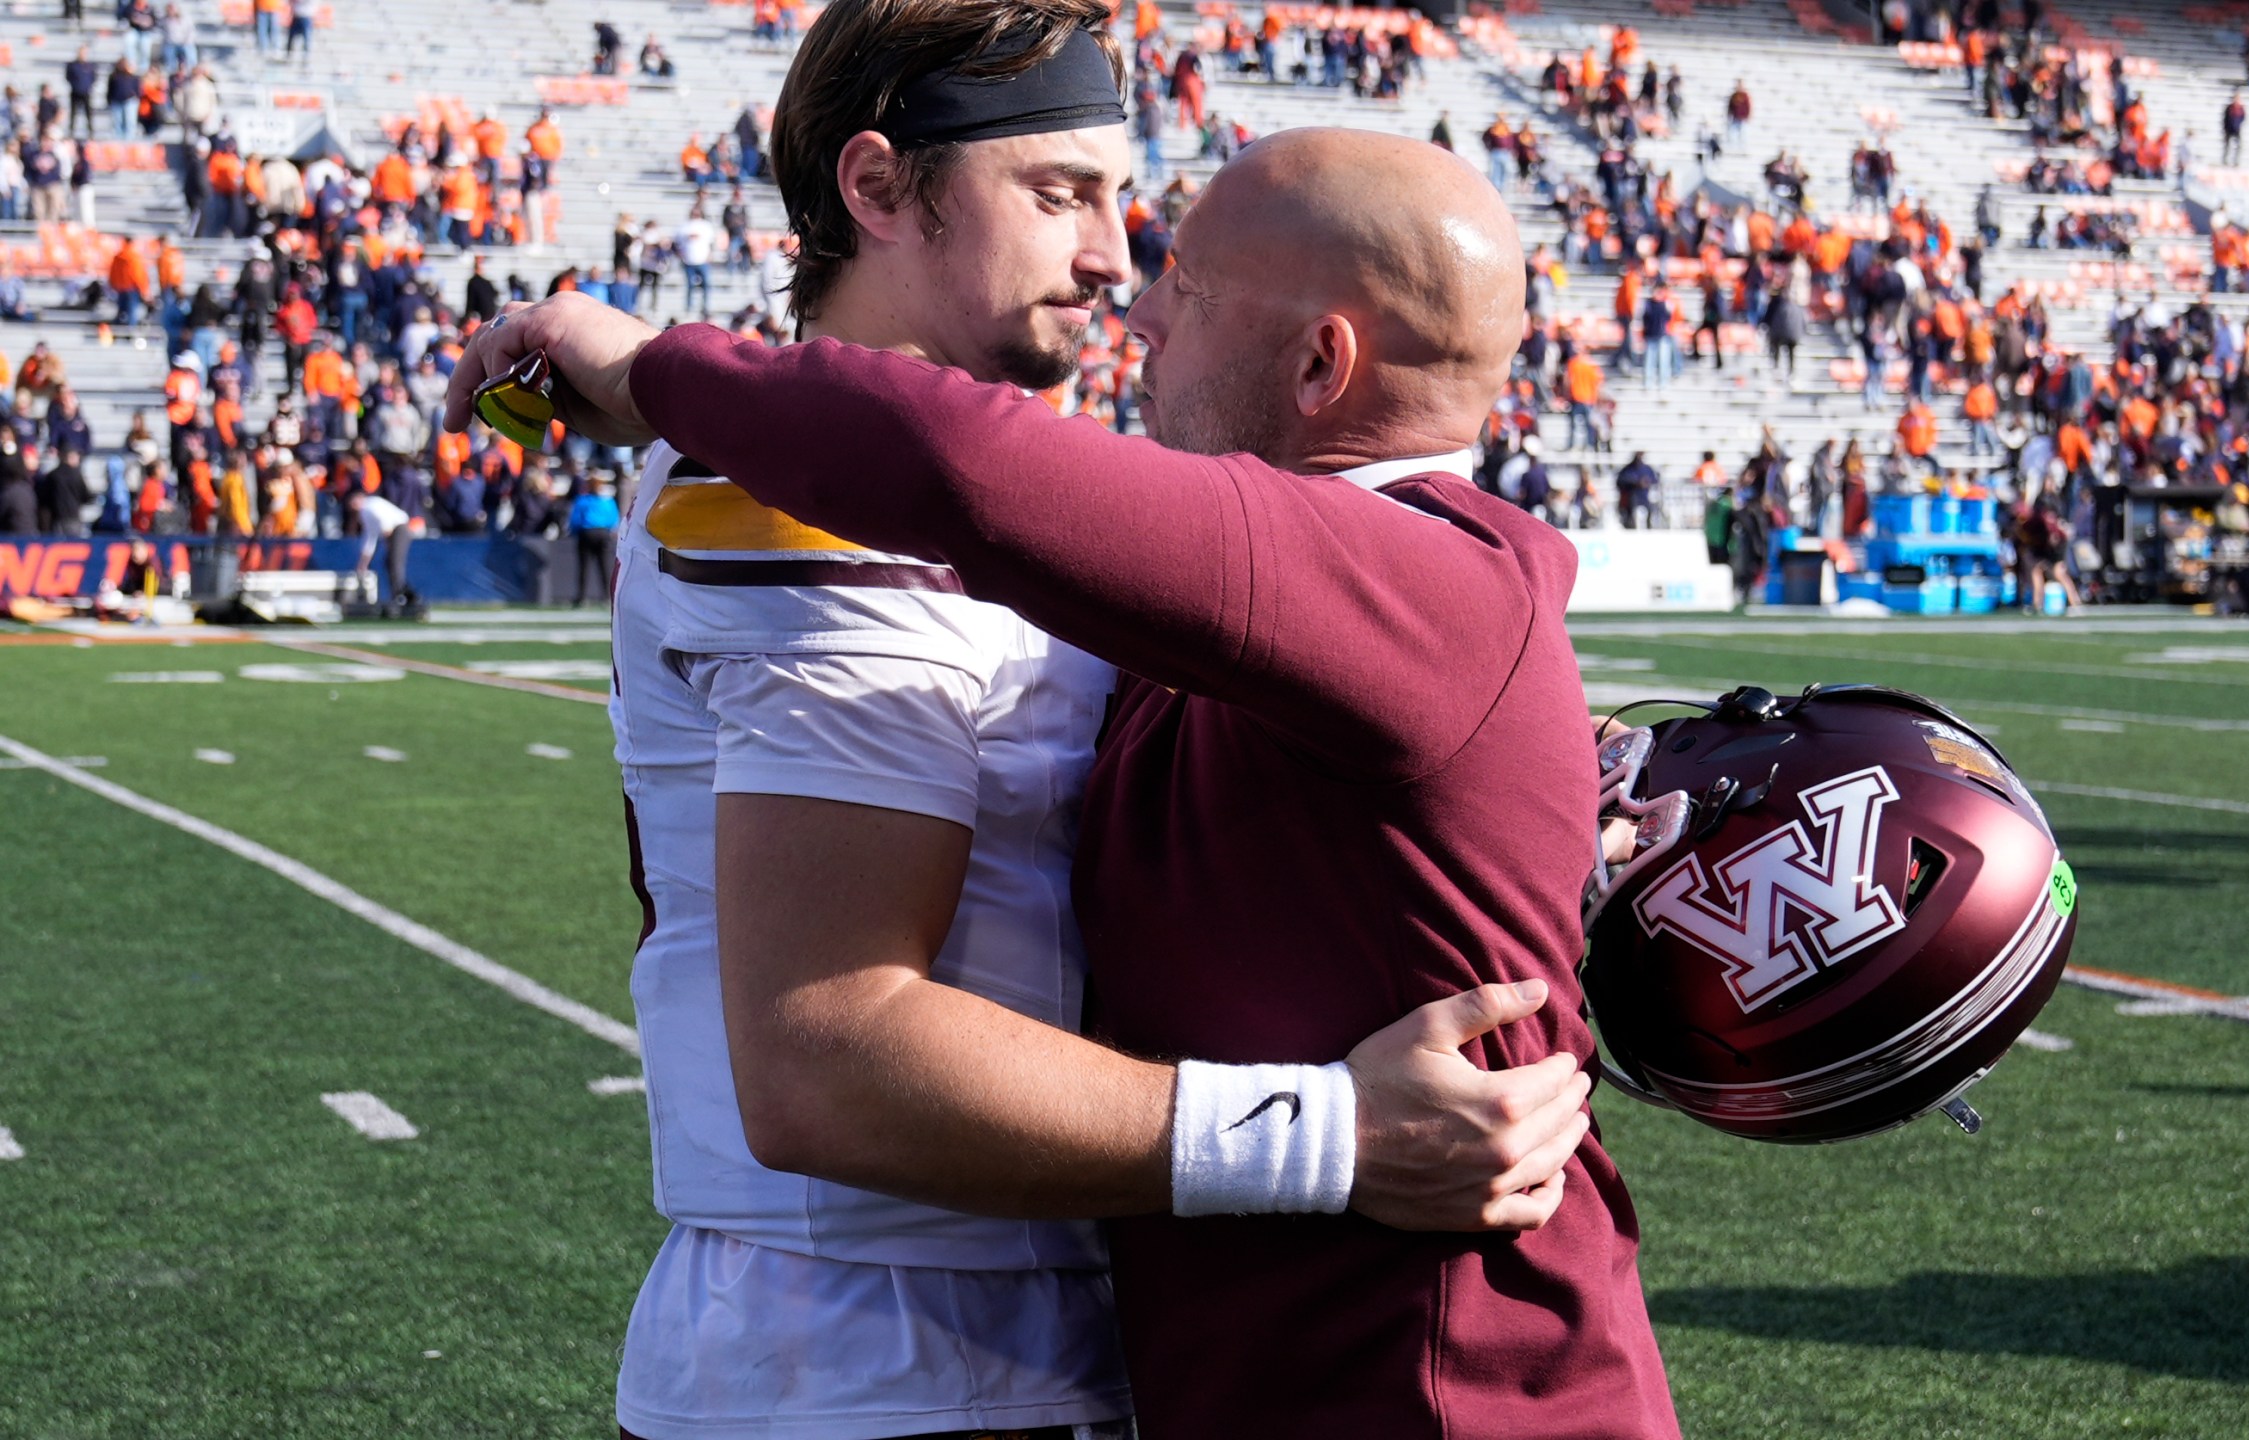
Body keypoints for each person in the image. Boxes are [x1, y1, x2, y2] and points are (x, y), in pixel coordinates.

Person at [451, 11, 1597, 1440]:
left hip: (1042, 1337)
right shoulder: (807, 514)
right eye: (1060, 195)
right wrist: (1331, 1135)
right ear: (876, 190)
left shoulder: (1081, 513)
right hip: (879, 1366)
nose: (1115, 269)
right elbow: (826, 1062)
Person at [564, 471, 615, 606]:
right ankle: (607, 597)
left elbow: (575, 519)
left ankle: (581, 597)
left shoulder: (582, 500)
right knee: (604, 566)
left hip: (586, 533)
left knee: (583, 566)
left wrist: (573, 531)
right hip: (603, 533)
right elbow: (613, 518)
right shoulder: (607, 501)